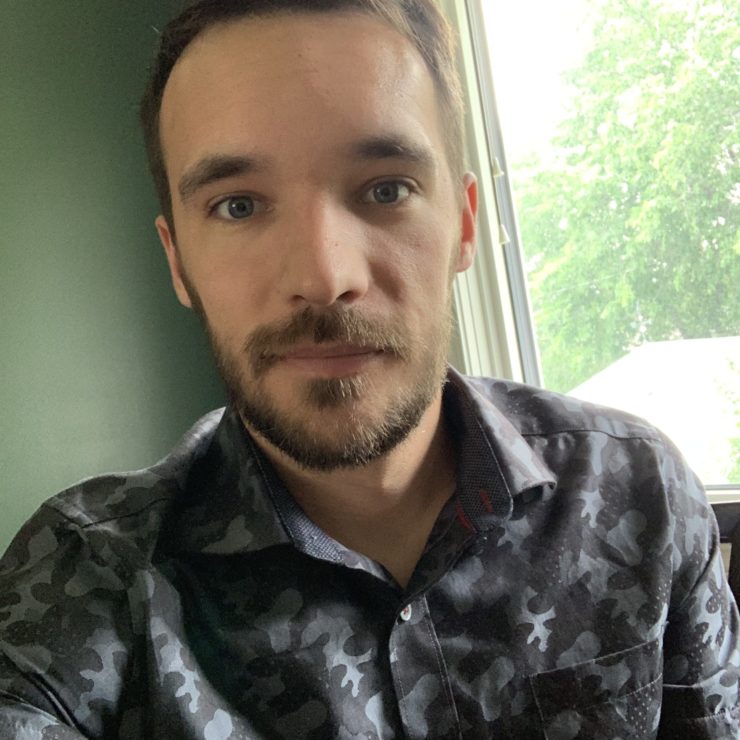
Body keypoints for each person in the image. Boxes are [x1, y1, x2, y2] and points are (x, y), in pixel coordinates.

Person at [1, 0, 738, 737]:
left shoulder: (641, 496)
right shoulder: (85, 580)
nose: (325, 278)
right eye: (238, 206)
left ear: (464, 224)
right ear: (177, 262)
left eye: (386, 189)